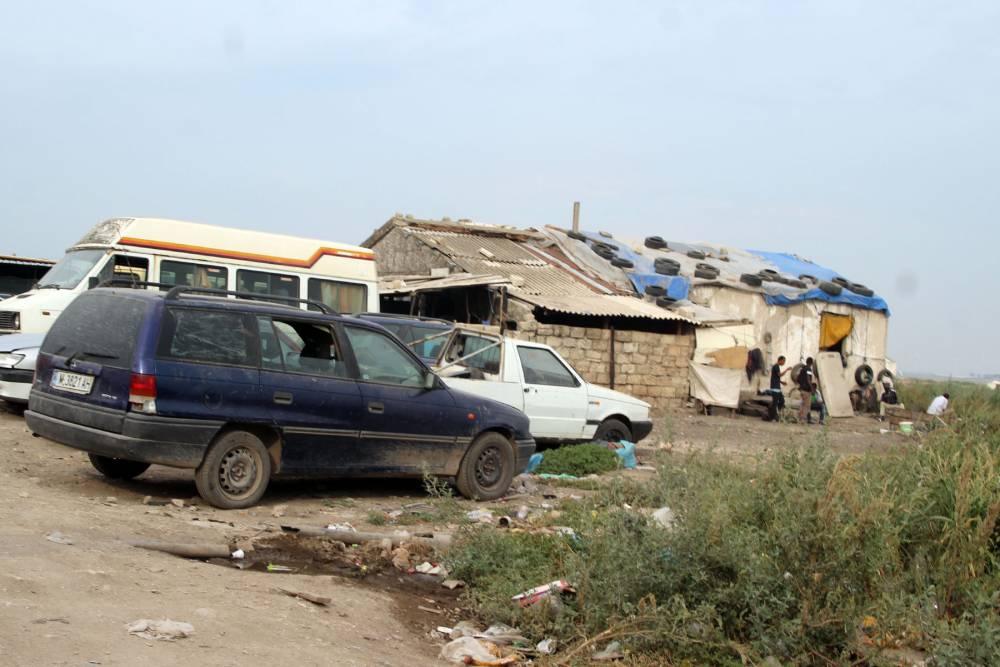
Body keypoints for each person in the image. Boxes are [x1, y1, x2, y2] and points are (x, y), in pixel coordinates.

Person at [765, 355, 790, 421]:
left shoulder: (777, 366)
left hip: (777, 388)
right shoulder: (776, 366)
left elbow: (776, 377)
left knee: (782, 401)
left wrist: (782, 382)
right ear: (780, 360)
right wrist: (787, 370)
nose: (784, 363)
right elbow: (780, 375)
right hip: (775, 388)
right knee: (775, 403)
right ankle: (772, 417)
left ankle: (774, 413)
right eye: (784, 361)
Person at [797, 357, 815, 424]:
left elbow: (798, 379)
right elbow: (808, 379)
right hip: (806, 390)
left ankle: (799, 418)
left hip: (802, 389)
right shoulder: (808, 369)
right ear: (811, 363)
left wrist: (801, 385)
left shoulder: (802, 369)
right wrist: (812, 389)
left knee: (802, 404)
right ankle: (802, 420)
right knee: (806, 405)